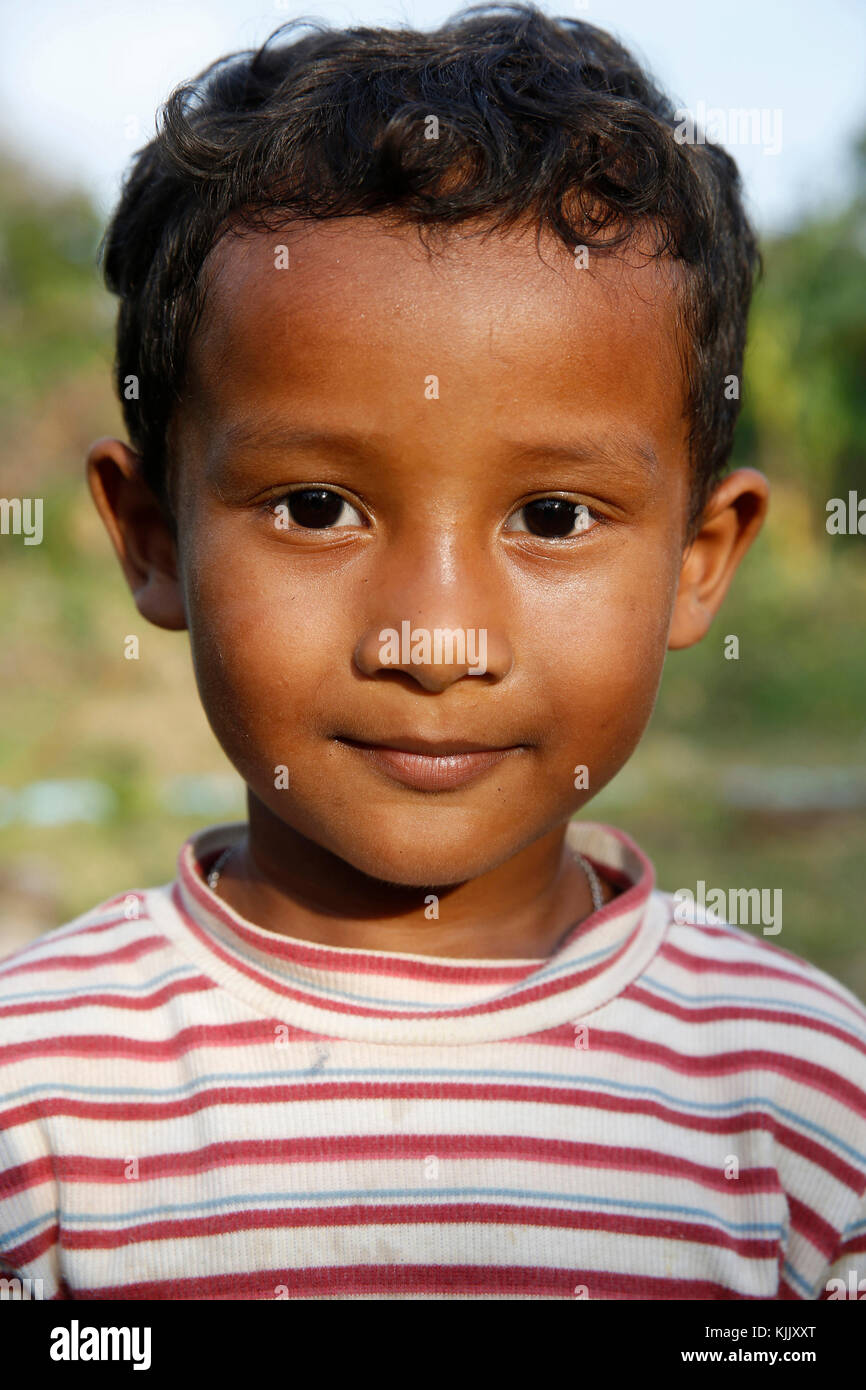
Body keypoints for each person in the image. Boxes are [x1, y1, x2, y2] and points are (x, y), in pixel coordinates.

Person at [1, 3, 864, 1301]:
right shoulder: (39, 1106)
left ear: (700, 556)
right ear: (151, 535)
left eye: (553, 517)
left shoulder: (806, 1102)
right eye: (313, 508)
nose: (434, 638)